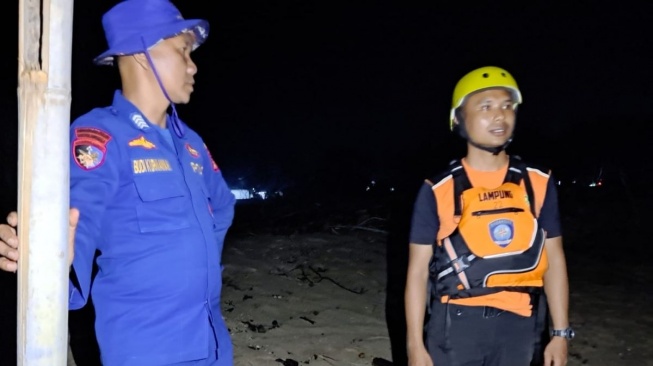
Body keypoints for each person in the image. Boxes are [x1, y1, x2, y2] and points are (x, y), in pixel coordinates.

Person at [0, 0, 236, 365]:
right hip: (148, 348)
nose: (193, 65)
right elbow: (78, 221)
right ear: (142, 53)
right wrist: (45, 254)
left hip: (211, 339)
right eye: (183, 51)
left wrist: (194, 263)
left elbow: (221, 206)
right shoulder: (100, 136)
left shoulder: (191, 142)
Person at [404, 66, 571, 366]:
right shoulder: (438, 189)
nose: (500, 115)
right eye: (486, 106)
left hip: (521, 325)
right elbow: (417, 272)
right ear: (458, 119)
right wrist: (415, 345)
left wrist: (560, 333)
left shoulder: (538, 182)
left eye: (507, 106)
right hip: (455, 327)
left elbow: (554, 259)